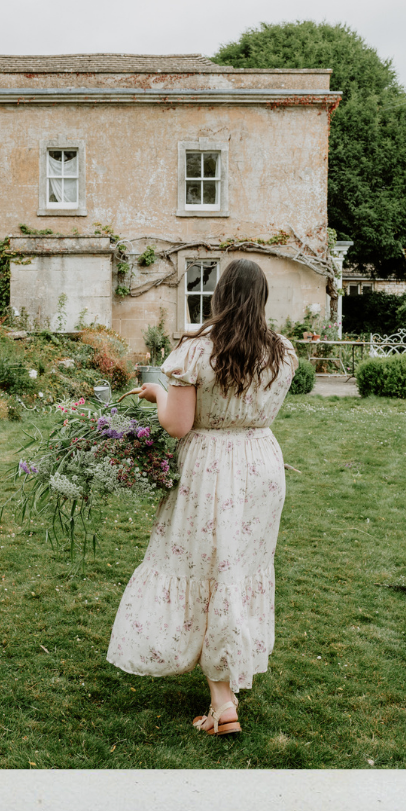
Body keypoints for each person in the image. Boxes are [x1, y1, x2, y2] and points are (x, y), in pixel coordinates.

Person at [106, 259, 300, 736]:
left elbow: (178, 424)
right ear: (262, 298)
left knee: (207, 569)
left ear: (220, 295)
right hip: (261, 465)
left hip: (211, 467)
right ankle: (226, 679)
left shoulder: (197, 350)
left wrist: (157, 394)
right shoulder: (282, 351)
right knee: (238, 569)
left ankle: (222, 702)